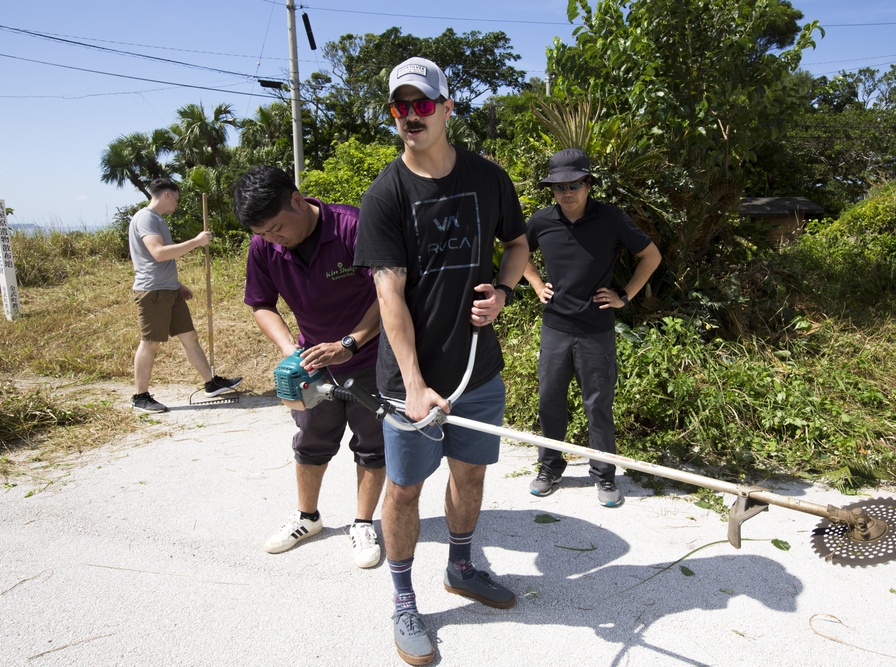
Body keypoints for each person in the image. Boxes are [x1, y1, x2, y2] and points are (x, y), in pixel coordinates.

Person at [354, 56, 530, 666]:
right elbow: (388, 294)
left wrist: (504, 291)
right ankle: (404, 599)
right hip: (412, 383)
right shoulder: (385, 195)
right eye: (400, 106)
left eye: (422, 104)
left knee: (471, 475)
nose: (411, 116)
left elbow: (517, 244)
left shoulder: (488, 178)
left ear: (447, 108)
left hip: (478, 369)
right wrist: (415, 386)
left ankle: (460, 566)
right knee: (404, 491)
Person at [234, 165, 386, 569]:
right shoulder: (262, 245)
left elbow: (389, 293)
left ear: (298, 201)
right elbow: (261, 305)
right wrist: (291, 350)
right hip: (314, 364)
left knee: (373, 444)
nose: (271, 238)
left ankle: (363, 522)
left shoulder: (353, 226)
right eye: (262, 233)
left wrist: (348, 344)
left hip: (369, 357)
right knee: (310, 441)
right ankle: (307, 517)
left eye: (276, 227)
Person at [523, 148, 661, 507]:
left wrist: (625, 295)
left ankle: (603, 475)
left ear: (588, 184)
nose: (567, 193)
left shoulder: (611, 219)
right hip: (555, 326)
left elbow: (651, 255)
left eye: (574, 184)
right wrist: (537, 285)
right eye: (558, 187)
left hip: (596, 329)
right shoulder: (541, 221)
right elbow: (516, 252)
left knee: (598, 404)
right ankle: (550, 467)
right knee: (549, 401)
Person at [128, 177, 241, 413]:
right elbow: (158, 253)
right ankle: (140, 397)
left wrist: (177, 284)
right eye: (176, 199)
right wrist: (197, 242)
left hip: (168, 289)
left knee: (189, 337)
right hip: (153, 292)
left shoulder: (157, 219)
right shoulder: (147, 217)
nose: (176, 205)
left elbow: (153, 261)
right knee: (150, 343)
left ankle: (210, 383)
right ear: (167, 194)